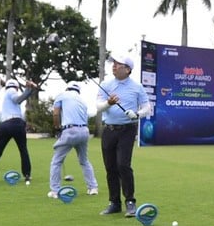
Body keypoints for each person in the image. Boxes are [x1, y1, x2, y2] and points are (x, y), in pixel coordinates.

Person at [97, 52, 151, 216]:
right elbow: (98, 107)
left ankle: (130, 202)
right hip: (109, 130)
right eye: (113, 63)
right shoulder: (106, 84)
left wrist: (137, 114)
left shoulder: (137, 87)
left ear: (127, 69)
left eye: (118, 64)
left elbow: (147, 107)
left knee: (123, 165)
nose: (114, 65)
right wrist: (109, 103)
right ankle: (114, 203)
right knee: (110, 167)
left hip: (127, 129)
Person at [0, 78, 36, 185]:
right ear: (17, 87)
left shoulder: (8, 92)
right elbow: (18, 99)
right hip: (17, 124)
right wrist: (29, 89)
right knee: (23, 150)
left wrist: (30, 89)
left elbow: (19, 99)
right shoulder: (12, 91)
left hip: (6, 125)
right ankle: (27, 175)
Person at [48, 81, 99, 198]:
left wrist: (57, 128)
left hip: (70, 131)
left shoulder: (62, 95)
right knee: (84, 160)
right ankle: (93, 188)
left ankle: (55, 191)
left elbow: (56, 114)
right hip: (84, 131)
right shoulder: (82, 101)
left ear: (68, 88)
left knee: (57, 161)